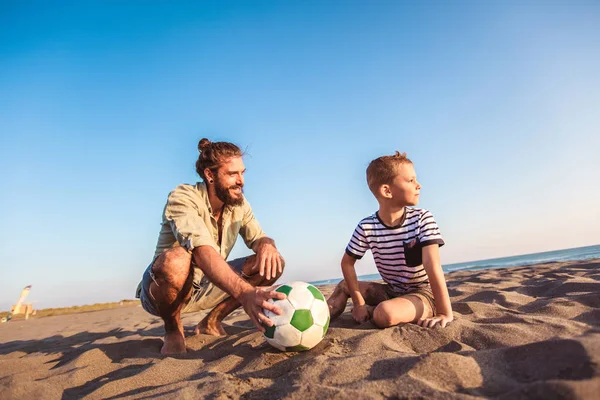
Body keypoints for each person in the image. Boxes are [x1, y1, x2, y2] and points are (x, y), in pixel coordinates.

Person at [136, 138, 286, 354]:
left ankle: (211, 322)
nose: (241, 181)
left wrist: (267, 245)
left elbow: (259, 237)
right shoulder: (183, 197)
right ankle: (172, 329)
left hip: (205, 285)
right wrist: (246, 294)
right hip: (163, 291)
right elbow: (201, 250)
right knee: (177, 260)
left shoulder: (239, 204)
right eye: (232, 174)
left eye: (242, 173)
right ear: (210, 175)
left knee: (272, 262)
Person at [327, 151, 453, 329]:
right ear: (387, 190)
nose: (419, 186)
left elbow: (432, 265)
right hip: (391, 291)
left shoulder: (422, 219)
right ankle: (316, 321)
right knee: (343, 286)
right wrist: (358, 303)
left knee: (385, 313)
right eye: (411, 181)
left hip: (422, 294)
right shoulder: (366, 227)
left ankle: (378, 311)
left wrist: (444, 313)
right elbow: (347, 263)